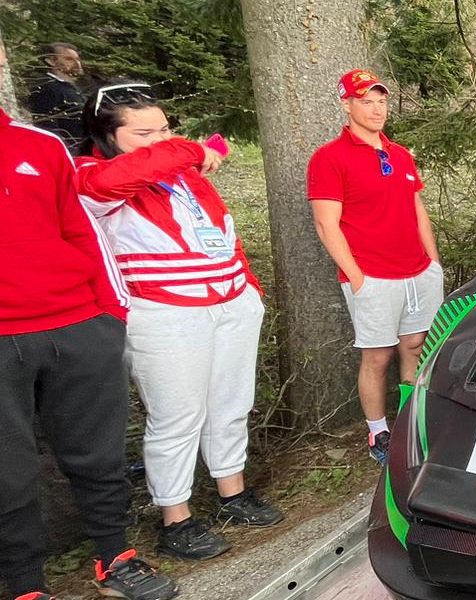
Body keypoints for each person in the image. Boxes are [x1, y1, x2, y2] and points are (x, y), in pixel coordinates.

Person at [75, 81, 283, 562]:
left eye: (165, 130)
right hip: (164, 311)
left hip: (228, 302)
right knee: (176, 417)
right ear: (106, 136)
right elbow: (116, 181)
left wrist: (248, 290)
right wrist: (189, 148)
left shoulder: (182, 173)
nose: (160, 141)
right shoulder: (91, 174)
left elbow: (220, 232)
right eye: (144, 133)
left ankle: (232, 492)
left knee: (231, 403)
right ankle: (176, 518)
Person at [0, 98, 177, 599]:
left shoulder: (40, 145)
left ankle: (115, 557)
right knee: (8, 472)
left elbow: (81, 229)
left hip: (78, 324)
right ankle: (26, 584)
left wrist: (110, 315)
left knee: (99, 454)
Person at [307, 69, 443, 464]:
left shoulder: (399, 154)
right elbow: (326, 224)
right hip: (373, 277)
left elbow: (417, 209)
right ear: (346, 104)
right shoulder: (329, 158)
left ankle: (412, 421)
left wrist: (433, 262)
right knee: (378, 356)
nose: (377, 109)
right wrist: (356, 277)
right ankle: (378, 433)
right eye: (366, 101)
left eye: (381, 101)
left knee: (416, 347)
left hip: (418, 272)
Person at [25, 42, 86, 147]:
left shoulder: (71, 87)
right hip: (68, 150)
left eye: (77, 59)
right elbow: (46, 127)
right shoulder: (46, 88)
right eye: (69, 59)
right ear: (51, 61)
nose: (77, 63)